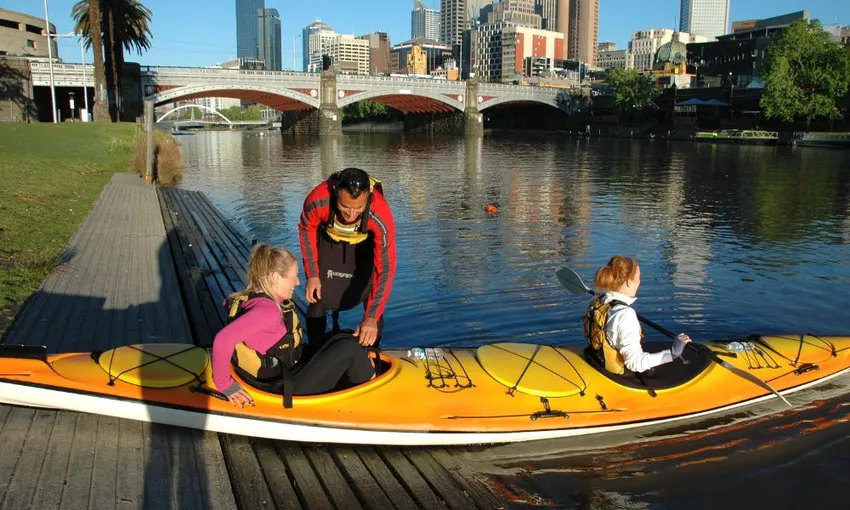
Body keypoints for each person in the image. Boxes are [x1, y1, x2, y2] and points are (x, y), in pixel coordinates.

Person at [211, 244, 374, 409]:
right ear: (275, 277)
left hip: (287, 368)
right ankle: (372, 395)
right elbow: (222, 340)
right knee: (349, 348)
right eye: (294, 276)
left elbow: (229, 307)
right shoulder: (267, 311)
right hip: (283, 386)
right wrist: (225, 385)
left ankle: (363, 371)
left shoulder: (248, 298)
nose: (297, 282)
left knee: (344, 336)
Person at [298, 167, 396, 347]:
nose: (351, 214)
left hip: (363, 248)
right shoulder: (318, 200)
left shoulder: (380, 213)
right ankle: (314, 350)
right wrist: (312, 274)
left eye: (359, 207)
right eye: (344, 206)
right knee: (317, 297)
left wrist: (372, 317)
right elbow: (306, 230)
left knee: (373, 302)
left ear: (368, 197)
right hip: (330, 243)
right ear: (335, 192)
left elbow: (386, 268)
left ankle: (372, 353)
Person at [584, 255, 691, 376]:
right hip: (619, 376)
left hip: (597, 360)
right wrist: (673, 353)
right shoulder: (625, 315)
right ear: (629, 282)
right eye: (639, 277)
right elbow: (634, 363)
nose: (640, 281)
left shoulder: (596, 302)